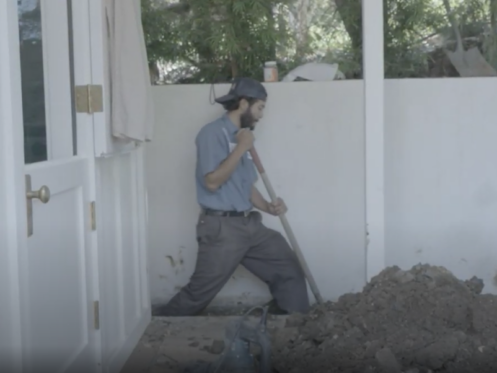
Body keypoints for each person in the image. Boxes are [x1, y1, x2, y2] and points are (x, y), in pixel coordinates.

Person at [153, 77, 310, 316]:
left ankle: (290, 322)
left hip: (250, 224)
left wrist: (269, 207)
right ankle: (161, 325)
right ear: (244, 103)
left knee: (286, 266)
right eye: (260, 107)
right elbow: (212, 182)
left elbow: (244, 186)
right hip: (222, 228)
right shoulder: (212, 134)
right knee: (199, 293)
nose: (261, 115)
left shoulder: (242, 136)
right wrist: (241, 148)